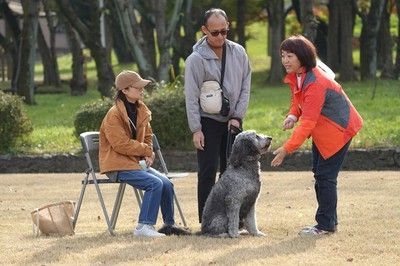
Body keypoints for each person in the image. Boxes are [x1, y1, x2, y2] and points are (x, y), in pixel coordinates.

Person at [271, 35, 363, 236]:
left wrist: (286, 148)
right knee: (320, 175)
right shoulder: (299, 75)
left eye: (290, 56)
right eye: (283, 55)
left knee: (325, 177)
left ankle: (325, 226)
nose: (285, 60)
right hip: (323, 131)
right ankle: (329, 222)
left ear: (302, 57)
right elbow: (297, 100)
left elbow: (308, 123)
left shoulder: (316, 82)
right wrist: (292, 115)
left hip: (339, 130)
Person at [99, 70, 190, 237]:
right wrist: (146, 150)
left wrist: (148, 153)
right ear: (124, 90)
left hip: (134, 163)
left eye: (142, 87)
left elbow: (148, 136)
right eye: (138, 87)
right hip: (117, 165)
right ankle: (143, 227)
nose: (142, 90)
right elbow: (121, 145)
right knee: (155, 183)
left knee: (167, 184)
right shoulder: (113, 115)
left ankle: (169, 225)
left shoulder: (141, 109)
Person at [184, 8, 251, 223]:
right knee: (207, 171)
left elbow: (245, 87)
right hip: (207, 121)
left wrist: (237, 117)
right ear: (204, 30)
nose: (221, 36)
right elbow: (191, 97)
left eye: (225, 31)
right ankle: (207, 221)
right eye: (215, 33)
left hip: (233, 121)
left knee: (232, 172)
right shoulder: (195, 60)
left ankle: (232, 220)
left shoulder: (239, 52)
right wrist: (196, 129)